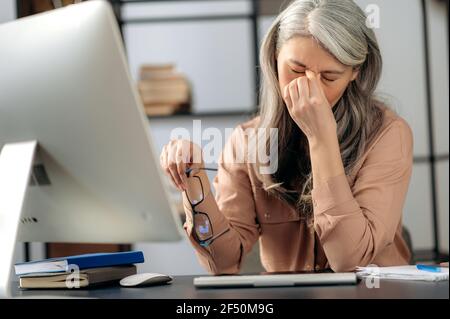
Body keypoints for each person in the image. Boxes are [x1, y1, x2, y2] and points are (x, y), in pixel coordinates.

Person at [160, 0, 413, 274]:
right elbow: (223, 263)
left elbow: (351, 261)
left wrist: (321, 139)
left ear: (355, 73)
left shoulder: (388, 134)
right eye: (295, 70)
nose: (308, 88)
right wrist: (194, 182)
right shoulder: (247, 142)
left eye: (329, 77)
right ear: (274, 58)